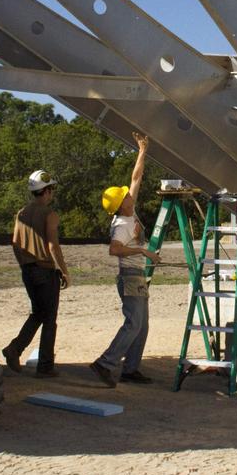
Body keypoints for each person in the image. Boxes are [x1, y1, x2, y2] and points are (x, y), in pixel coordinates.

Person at [90, 133, 161, 387]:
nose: (130, 194)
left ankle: (130, 369)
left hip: (136, 277)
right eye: (126, 196)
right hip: (130, 277)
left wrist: (142, 150)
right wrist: (144, 252)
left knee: (142, 326)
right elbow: (114, 249)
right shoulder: (121, 224)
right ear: (122, 204)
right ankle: (105, 362)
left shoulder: (128, 213)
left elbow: (135, 178)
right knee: (134, 324)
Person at [4, 170, 71, 377]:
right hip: (45, 271)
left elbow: (15, 243)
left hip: (28, 270)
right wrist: (64, 271)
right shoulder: (50, 215)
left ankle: (15, 349)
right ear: (47, 191)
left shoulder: (22, 213)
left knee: (38, 314)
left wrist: (24, 265)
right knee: (49, 319)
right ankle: (45, 366)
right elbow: (53, 246)